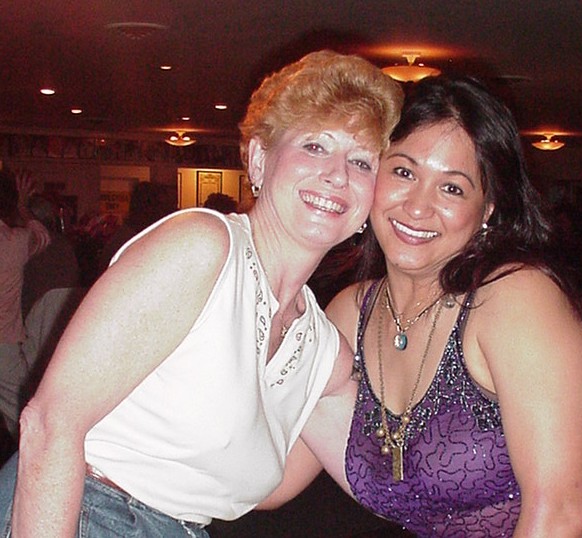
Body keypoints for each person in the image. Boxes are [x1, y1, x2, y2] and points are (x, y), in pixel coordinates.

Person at [0, 49, 402, 537]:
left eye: (361, 161)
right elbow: (49, 424)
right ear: (259, 160)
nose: (338, 174)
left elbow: (390, 485)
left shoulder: (320, 349)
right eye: (315, 146)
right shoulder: (204, 247)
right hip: (81, 511)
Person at [274, 75, 582, 537]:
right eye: (404, 172)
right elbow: (273, 480)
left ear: (486, 210)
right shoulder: (350, 315)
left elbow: (562, 513)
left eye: (452, 188)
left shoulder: (514, 298)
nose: (418, 207)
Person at [0, 170, 50, 438]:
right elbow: (42, 237)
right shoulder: (15, 242)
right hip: (3, 345)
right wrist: (23, 206)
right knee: (25, 420)